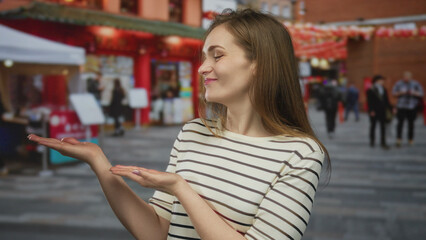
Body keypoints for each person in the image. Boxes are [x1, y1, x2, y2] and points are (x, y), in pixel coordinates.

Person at [28, 9, 329, 240]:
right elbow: (156, 231)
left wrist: (181, 189)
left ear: (259, 64)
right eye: (203, 57)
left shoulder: (300, 154)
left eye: (217, 56)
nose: (202, 68)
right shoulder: (193, 133)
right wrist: (98, 161)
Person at [392, 71, 424, 147]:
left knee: (411, 124)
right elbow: (393, 93)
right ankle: (399, 139)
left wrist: (413, 92)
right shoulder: (399, 83)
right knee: (400, 123)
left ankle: (410, 139)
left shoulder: (415, 84)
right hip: (401, 106)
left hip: (412, 106)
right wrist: (401, 93)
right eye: (405, 77)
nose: (406, 78)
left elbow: (421, 93)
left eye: (408, 77)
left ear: (411, 77)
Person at [367, 75, 391, 149]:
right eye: (381, 80)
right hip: (374, 111)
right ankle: (372, 141)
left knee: (383, 127)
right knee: (373, 126)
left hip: (382, 111)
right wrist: (371, 110)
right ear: (376, 81)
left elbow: (386, 100)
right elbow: (369, 101)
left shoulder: (383, 89)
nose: (382, 82)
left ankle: (383, 142)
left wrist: (391, 108)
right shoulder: (371, 89)